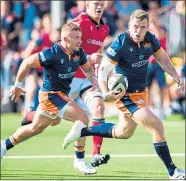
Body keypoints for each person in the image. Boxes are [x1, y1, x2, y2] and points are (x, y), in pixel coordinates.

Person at [62, 10, 185, 179]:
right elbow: (104, 68)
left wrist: (176, 76)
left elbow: (162, 59)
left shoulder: (151, 39)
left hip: (141, 93)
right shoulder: (121, 43)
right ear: (129, 26)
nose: (138, 30)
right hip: (126, 96)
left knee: (123, 132)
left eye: (142, 27)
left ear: (147, 27)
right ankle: (173, 171)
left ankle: (83, 131)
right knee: (157, 125)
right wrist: (105, 93)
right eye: (135, 26)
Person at [21, 1, 111, 168]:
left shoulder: (105, 28)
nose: (99, 7)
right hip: (68, 79)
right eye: (95, 3)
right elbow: (61, 45)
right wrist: (86, 58)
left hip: (86, 78)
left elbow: (97, 51)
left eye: (101, 4)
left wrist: (96, 66)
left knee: (98, 107)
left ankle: (95, 154)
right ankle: (31, 115)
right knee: (52, 121)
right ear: (87, 4)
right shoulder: (78, 22)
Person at [1, 22, 97, 175]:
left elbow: (88, 68)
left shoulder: (78, 52)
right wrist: (18, 85)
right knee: (83, 119)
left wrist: (94, 79)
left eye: (80, 37)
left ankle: (5, 144)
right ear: (66, 38)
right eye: (76, 37)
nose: (80, 40)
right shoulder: (52, 54)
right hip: (50, 96)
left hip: (62, 96)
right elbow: (27, 62)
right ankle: (79, 160)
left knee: (38, 127)